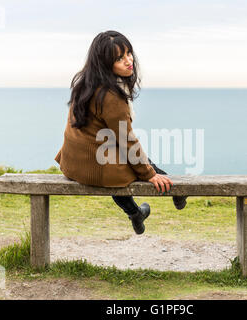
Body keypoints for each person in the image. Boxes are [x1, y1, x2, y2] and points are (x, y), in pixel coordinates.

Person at [54, 30, 187, 235]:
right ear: (105, 64)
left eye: (128, 53)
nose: (128, 61)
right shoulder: (111, 96)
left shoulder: (85, 84)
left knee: (126, 160)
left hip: (73, 165)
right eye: (119, 58)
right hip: (95, 167)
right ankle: (175, 191)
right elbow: (127, 141)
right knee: (128, 165)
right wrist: (150, 174)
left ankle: (135, 213)